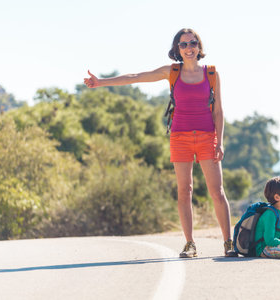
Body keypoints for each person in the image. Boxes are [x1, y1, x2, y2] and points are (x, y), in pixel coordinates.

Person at [84, 28, 237, 258]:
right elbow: (136, 77)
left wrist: (220, 142)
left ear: (199, 46)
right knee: (184, 191)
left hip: (207, 136)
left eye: (192, 43)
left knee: (217, 191)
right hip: (180, 137)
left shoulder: (212, 74)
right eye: (183, 44)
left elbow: (218, 110)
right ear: (177, 49)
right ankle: (190, 244)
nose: (188, 48)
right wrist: (100, 82)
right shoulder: (171, 71)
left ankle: (228, 242)